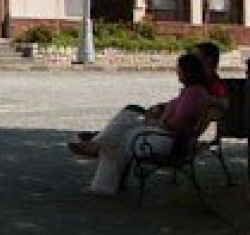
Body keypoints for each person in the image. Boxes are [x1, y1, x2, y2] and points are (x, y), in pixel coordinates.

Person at [72, 53, 217, 196]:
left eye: (178, 69)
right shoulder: (192, 93)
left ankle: (97, 147)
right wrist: (158, 112)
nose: (176, 72)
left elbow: (177, 124)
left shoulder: (193, 95)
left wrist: (155, 123)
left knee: (121, 132)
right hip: (168, 138)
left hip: (170, 142)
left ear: (187, 72)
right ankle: (99, 161)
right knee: (127, 120)